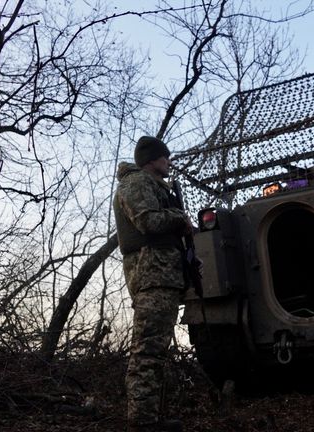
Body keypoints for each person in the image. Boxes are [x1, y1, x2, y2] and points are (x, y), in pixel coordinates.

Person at [113, 135, 192, 432]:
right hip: (151, 275)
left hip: (161, 276)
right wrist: (178, 216)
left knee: (155, 349)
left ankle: (149, 418)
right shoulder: (137, 183)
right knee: (147, 350)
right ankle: (142, 422)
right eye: (165, 157)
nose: (169, 162)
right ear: (153, 159)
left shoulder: (153, 185)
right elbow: (147, 221)